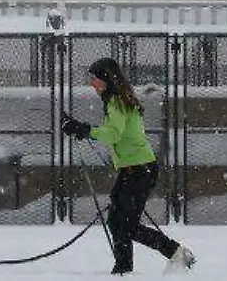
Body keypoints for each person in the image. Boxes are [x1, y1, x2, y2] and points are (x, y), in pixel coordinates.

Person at [61, 58, 196, 275]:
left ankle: (174, 254)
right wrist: (82, 129)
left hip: (139, 171)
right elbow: (117, 133)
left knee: (126, 225)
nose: (92, 84)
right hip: (134, 170)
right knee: (117, 222)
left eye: (94, 78)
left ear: (105, 79)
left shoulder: (116, 101)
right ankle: (124, 268)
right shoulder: (118, 99)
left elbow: (114, 133)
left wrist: (86, 130)